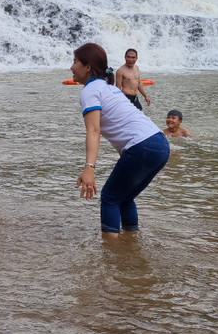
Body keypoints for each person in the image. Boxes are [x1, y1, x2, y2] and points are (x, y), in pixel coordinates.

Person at [70, 43, 170, 239]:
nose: (71, 67)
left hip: (143, 146)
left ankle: (113, 258)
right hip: (160, 143)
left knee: (110, 198)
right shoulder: (109, 88)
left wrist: (89, 167)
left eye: (74, 62)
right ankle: (131, 244)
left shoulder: (90, 91)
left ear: (87, 66)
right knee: (125, 197)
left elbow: (93, 130)